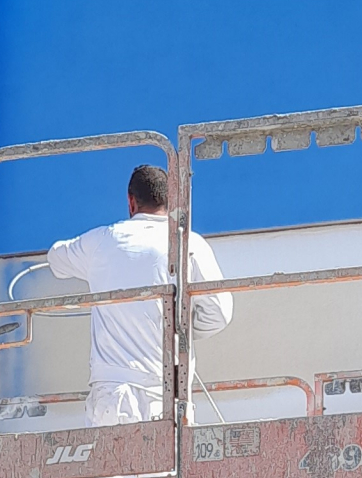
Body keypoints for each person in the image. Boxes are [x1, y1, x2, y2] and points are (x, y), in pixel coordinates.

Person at [46, 163, 233, 425]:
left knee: (113, 454)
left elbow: (55, 258)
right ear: (171, 200)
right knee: (169, 453)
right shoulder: (189, 244)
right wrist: (179, 330)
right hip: (169, 394)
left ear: (131, 201)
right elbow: (220, 313)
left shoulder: (104, 240)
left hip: (114, 395)